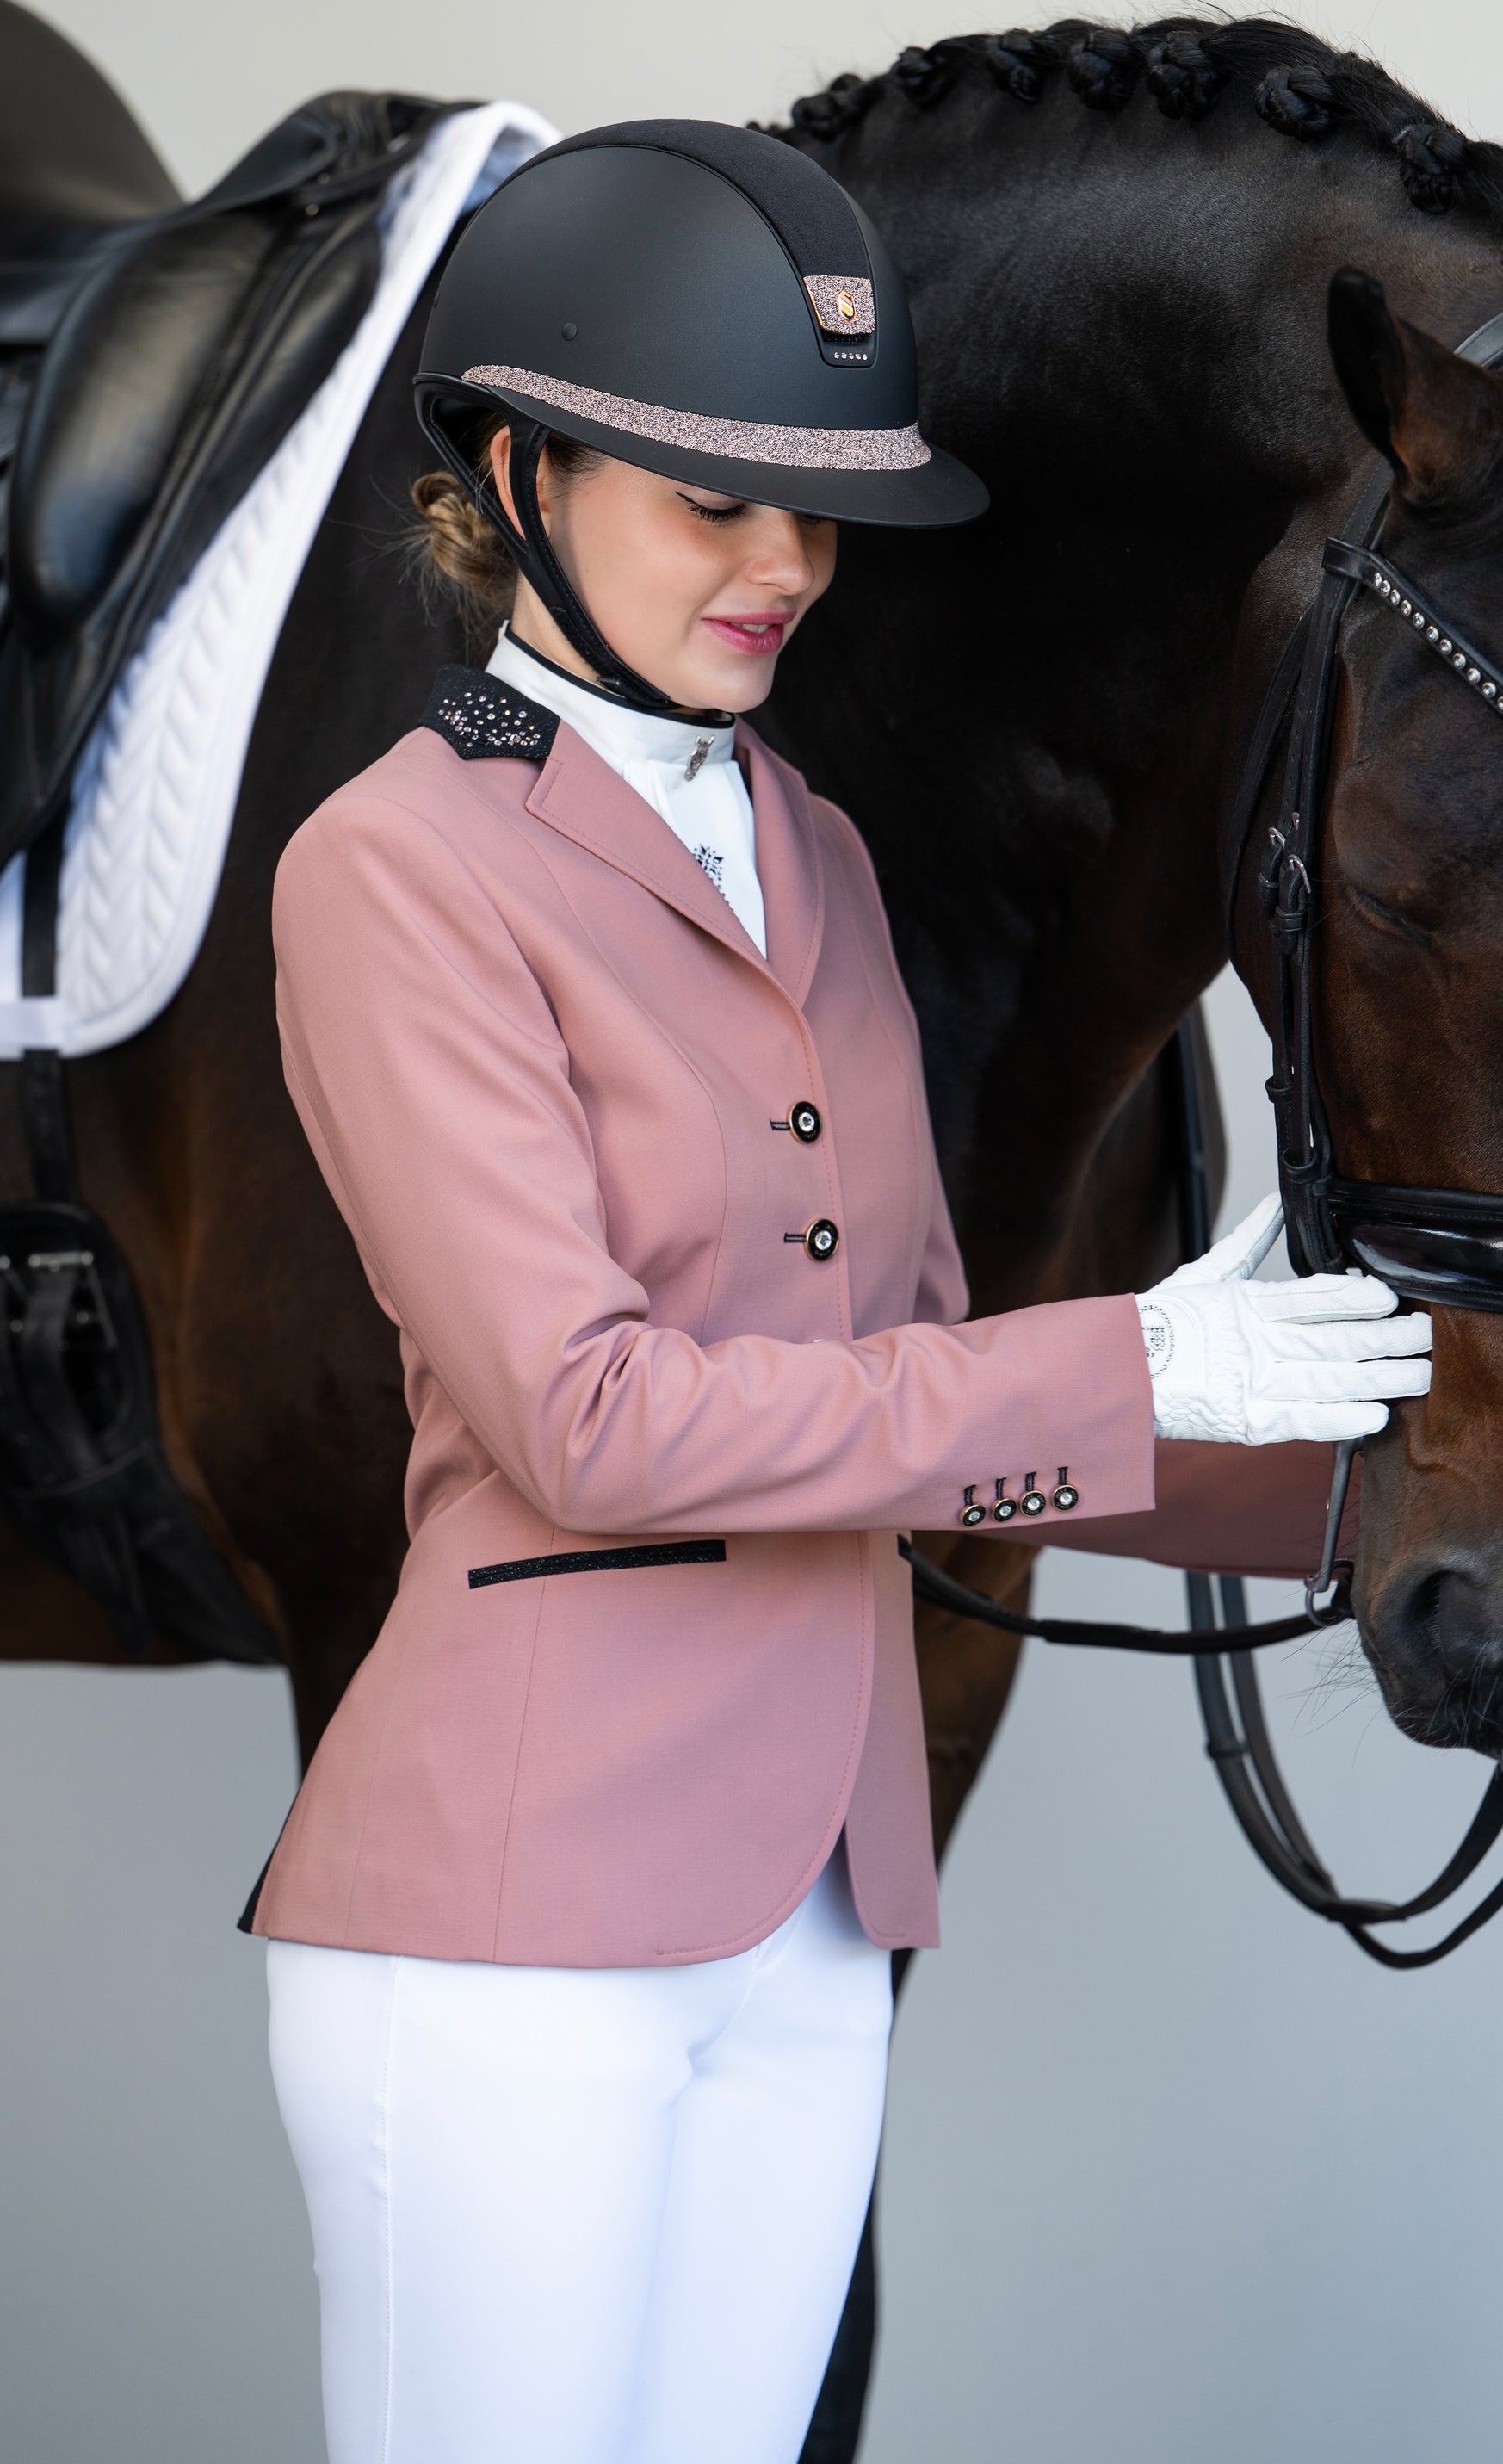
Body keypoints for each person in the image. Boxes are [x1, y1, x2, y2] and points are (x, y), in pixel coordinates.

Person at [244, 121, 1431, 2464]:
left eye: (818, 516)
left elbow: (918, 1387)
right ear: (513, 471)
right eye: (712, 503)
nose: (785, 567)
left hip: (814, 1917)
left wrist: (1367, 1461)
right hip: (513, 1927)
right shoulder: (393, 873)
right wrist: (1137, 1350)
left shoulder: (818, 859)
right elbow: (585, 1421)